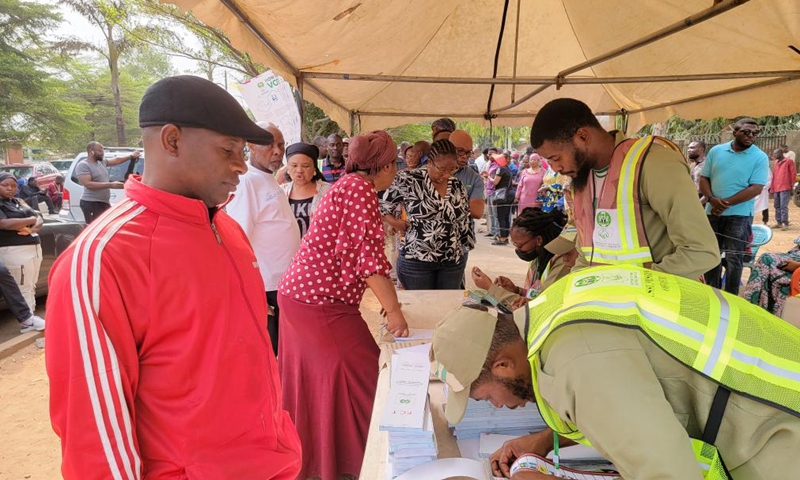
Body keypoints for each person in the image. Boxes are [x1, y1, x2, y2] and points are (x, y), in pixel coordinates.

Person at [46, 75, 301, 479]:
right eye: (228, 149)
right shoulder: (104, 258)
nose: (240, 164)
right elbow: (94, 438)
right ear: (172, 141)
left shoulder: (226, 229)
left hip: (270, 462)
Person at [431, 265, 800, 480]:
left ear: (503, 366)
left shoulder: (575, 361)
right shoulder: (555, 309)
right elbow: (623, 401)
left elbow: (669, 473)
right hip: (770, 390)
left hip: (779, 428)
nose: (496, 407)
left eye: (486, 398)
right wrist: (544, 440)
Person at [278, 130, 409, 480]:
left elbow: (357, 252)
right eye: (393, 163)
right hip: (318, 302)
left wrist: (389, 299)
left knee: (324, 380)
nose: (395, 170)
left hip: (305, 297)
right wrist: (393, 310)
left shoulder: (350, 186)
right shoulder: (358, 189)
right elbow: (368, 259)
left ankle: (332, 457)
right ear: (382, 165)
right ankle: (370, 455)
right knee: (367, 372)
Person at [531, 98, 719, 281]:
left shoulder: (652, 163)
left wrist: (636, 284)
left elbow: (701, 251)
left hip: (657, 306)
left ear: (582, 136)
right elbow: (586, 256)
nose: (555, 168)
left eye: (556, 158)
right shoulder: (582, 179)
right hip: (609, 306)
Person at [226, 122, 299, 357]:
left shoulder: (268, 178)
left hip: (282, 284)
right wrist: (252, 292)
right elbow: (239, 239)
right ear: (251, 146)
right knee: (273, 354)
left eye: (280, 144)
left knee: (286, 351)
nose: (277, 151)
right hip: (266, 287)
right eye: (269, 144)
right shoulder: (247, 182)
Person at [382, 139, 474, 289]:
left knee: (447, 309)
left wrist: (464, 249)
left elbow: (463, 219)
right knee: (421, 308)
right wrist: (396, 223)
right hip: (416, 261)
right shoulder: (409, 179)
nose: (446, 175)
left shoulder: (457, 185)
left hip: (452, 262)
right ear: (430, 162)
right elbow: (383, 206)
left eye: (452, 170)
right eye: (442, 169)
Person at [700, 118, 769, 293]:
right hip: (712, 212)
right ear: (735, 132)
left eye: (755, 132)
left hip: (740, 216)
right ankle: (711, 292)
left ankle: (731, 297)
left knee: (733, 259)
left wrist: (725, 203)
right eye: (746, 131)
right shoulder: (716, 151)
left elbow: (756, 188)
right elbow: (704, 177)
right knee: (711, 254)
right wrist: (711, 198)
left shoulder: (759, 157)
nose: (751, 135)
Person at [471, 208, 576, 310]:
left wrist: (490, 288)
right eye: (514, 244)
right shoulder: (538, 256)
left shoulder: (563, 262)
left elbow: (537, 306)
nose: (518, 249)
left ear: (538, 240)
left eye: (519, 245)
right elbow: (534, 296)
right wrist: (517, 290)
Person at [0, 172, 45, 332]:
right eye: (5, 185)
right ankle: (28, 321)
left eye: (13, 186)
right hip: (13, 248)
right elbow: (5, 223)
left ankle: (31, 317)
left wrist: (35, 226)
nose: (10, 189)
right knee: (22, 285)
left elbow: (39, 215)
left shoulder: (19, 201)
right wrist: (31, 221)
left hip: (32, 244)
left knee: (31, 284)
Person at [77, 142, 139, 224]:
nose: (102, 153)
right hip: (91, 203)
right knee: (96, 227)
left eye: (103, 150)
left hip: (104, 202)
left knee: (107, 224)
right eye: (99, 151)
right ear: (91, 151)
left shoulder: (101, 162)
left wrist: (131, 156)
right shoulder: (84, 165)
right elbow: (88, 184)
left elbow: (117, 161)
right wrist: (111, 185)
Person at [281, 142, 331, 237]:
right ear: (287, 168)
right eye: (294, 165)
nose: (299, 170)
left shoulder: (328, 192)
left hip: (318, 249)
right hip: (288, 250)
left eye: (305, 166)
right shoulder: (280, 192)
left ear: (314, 169)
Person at [743, 236, 800, 316]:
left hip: (797, 271)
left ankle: (757, 311)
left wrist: (797, 266)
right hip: (794, 258)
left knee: (773, 274)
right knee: (766, 258)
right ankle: (751, 308)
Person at [488, 152, 514, 245]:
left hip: (502, 195)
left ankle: (502, 238)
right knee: (506, 216)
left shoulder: (501, 169)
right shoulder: (508, 169)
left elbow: (495, 182)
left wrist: (488, 177)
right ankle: (505, 236)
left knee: (501, 216)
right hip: (509, 193)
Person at [770, 147, 796, 231]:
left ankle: (785, 223)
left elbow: (793, 174)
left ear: (781, 153)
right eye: (774, 153)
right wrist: (772, 188)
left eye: (776, 153)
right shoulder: (776, 163)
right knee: (776, 205)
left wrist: (792, 186)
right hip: (776, 187)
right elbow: (774, 176)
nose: (774, 155)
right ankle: (779, 222)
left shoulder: (789, 161)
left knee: (783, 206)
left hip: (785, 187)